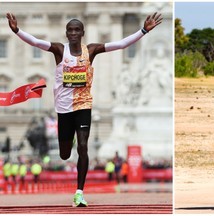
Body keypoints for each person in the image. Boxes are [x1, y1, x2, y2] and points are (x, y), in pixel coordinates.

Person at [7, 12, 162, 207]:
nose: (73, 33)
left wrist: (143, 31)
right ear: (66, 33)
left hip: (83, 105)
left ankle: (79, 192)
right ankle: (68, 139)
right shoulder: (58, 50)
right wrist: (17, 30)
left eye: (76, 30)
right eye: (70, 30)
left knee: (83, 147)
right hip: (63, 109)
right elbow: (36, 42)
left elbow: (120, 44)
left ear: (82, 32)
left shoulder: (91, 50)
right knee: (65, 153)